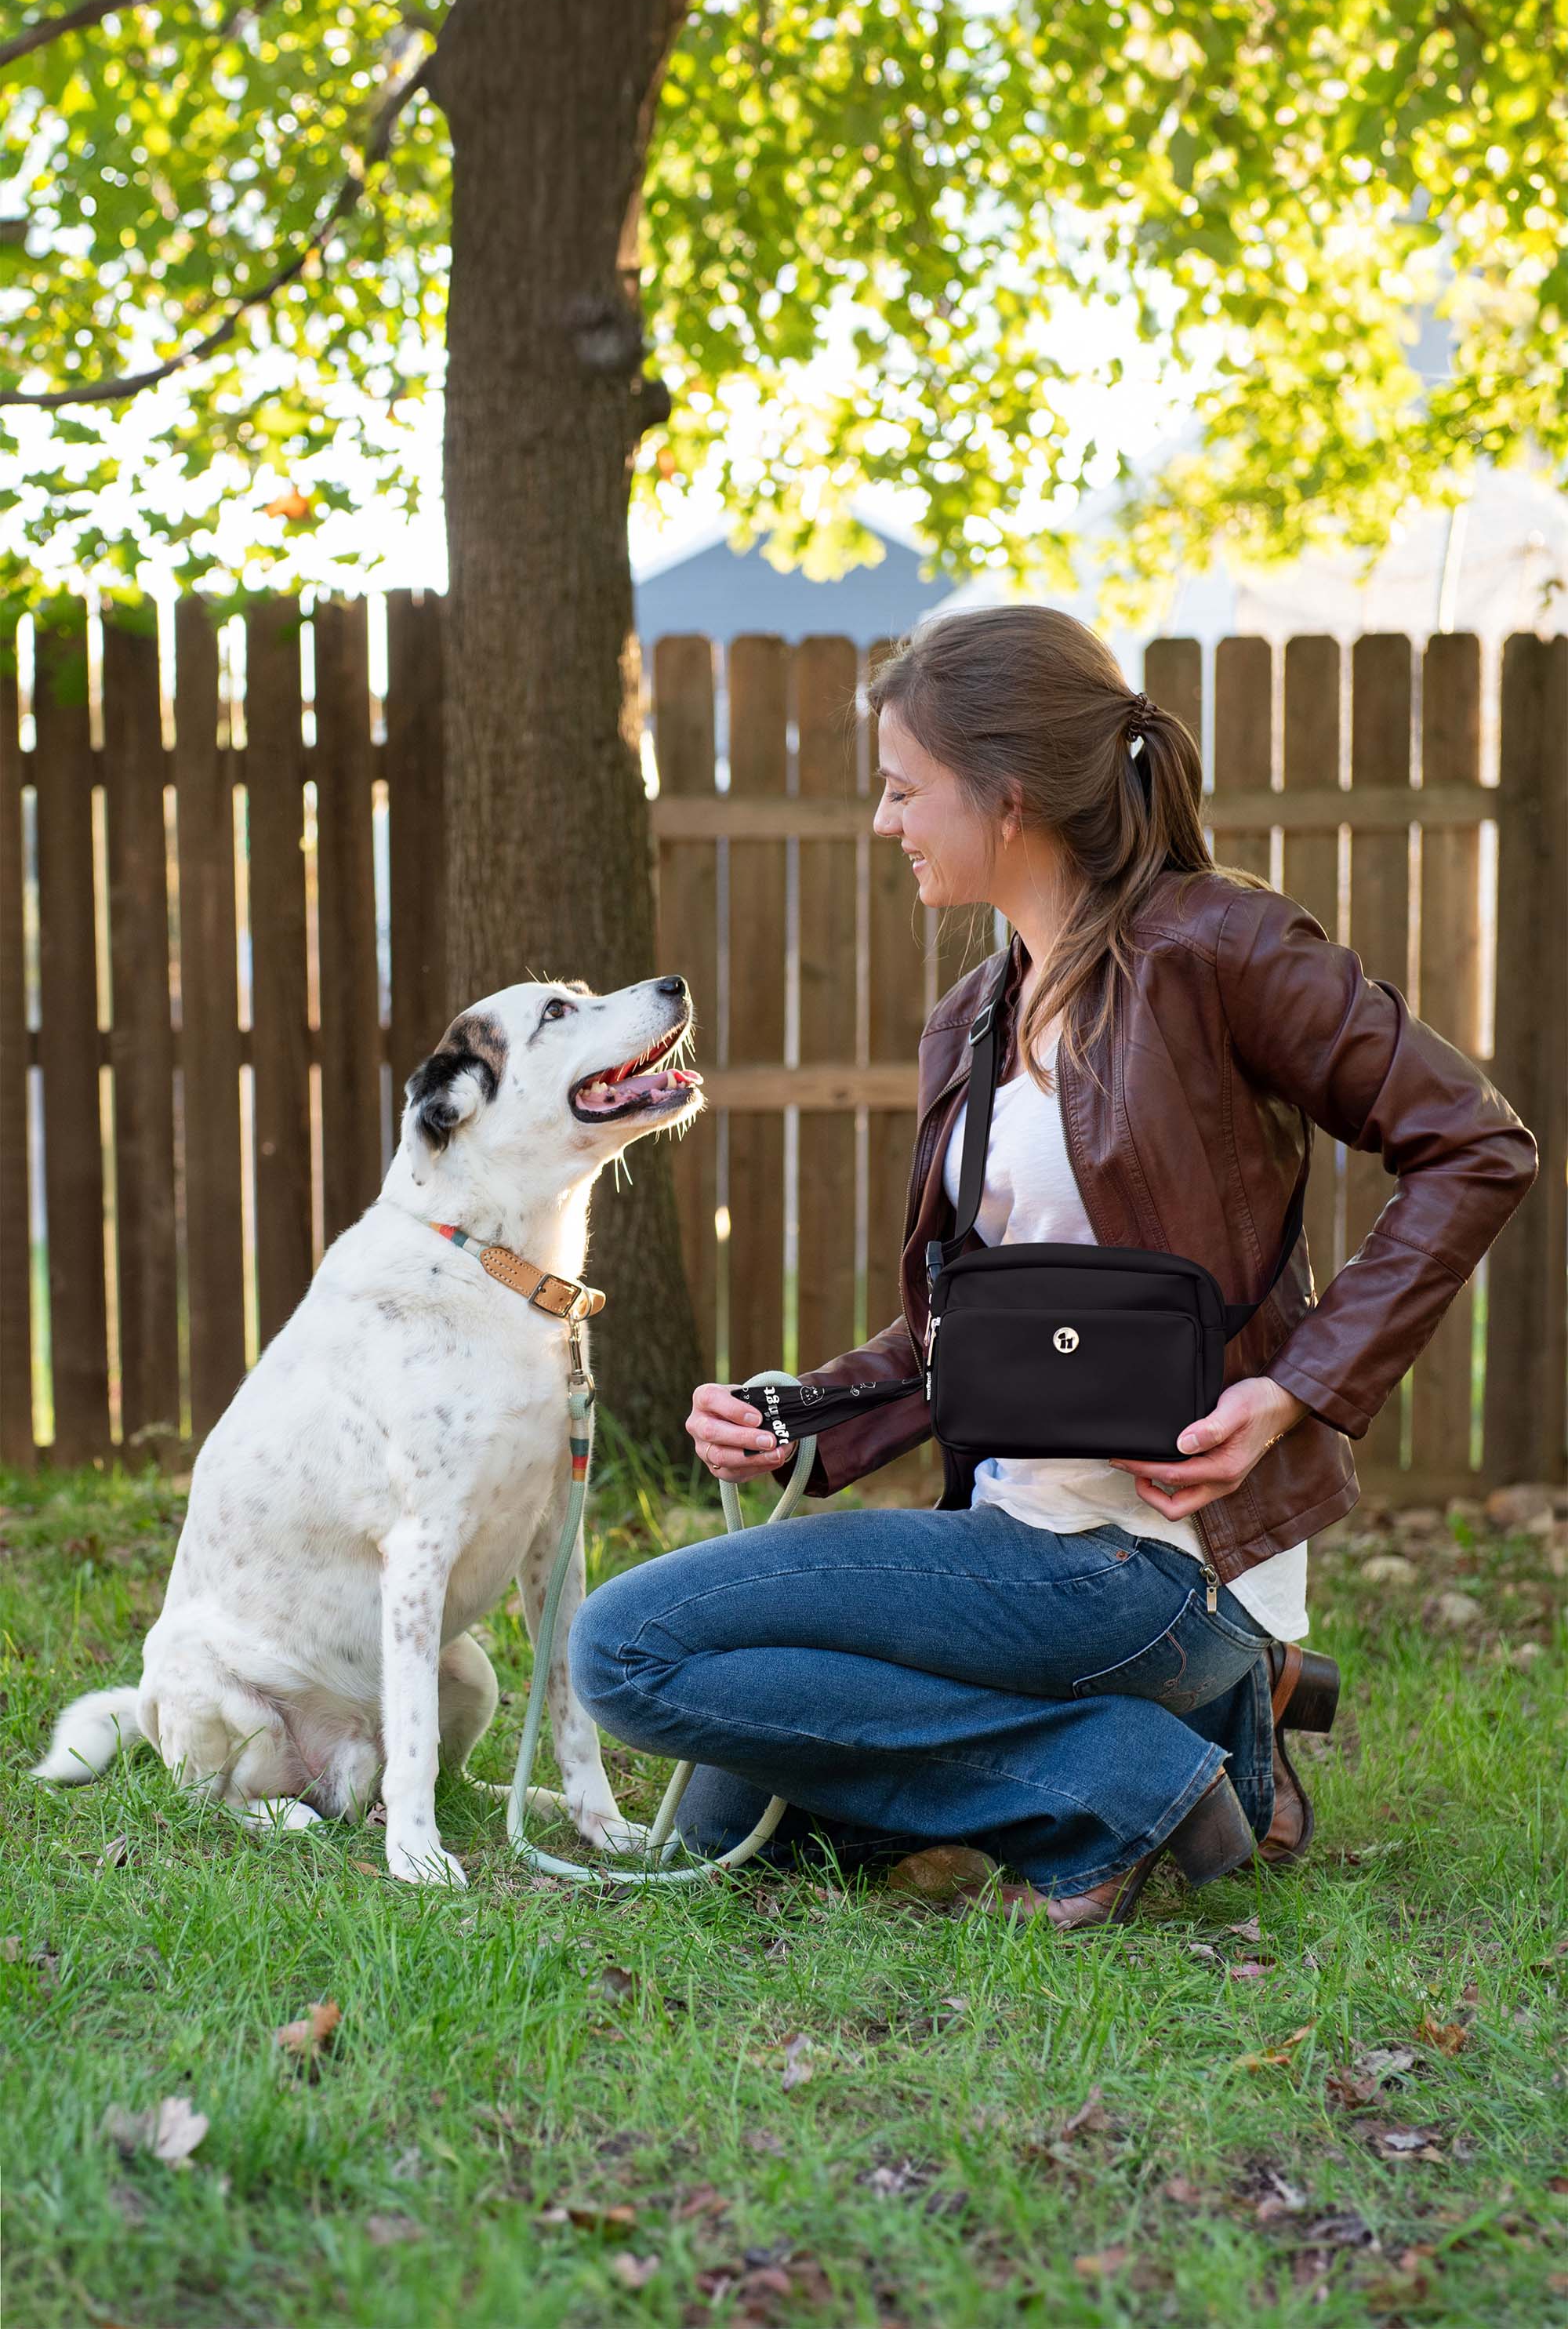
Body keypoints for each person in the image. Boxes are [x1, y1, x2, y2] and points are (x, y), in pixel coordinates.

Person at [570, 605, 1537, 1928]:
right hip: (1019, 1535)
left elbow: (1475, 1147)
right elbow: (969, 1335)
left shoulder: (1221, 947)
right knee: (726, 1817)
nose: (884, 822)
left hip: (1145, 1559)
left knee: (623, 1650)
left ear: (1007, 794)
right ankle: (1222, 1745)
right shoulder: (972, 1019)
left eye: (905, 790)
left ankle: (1124, 1768)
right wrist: (795, 1416)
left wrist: (1299, 1393)